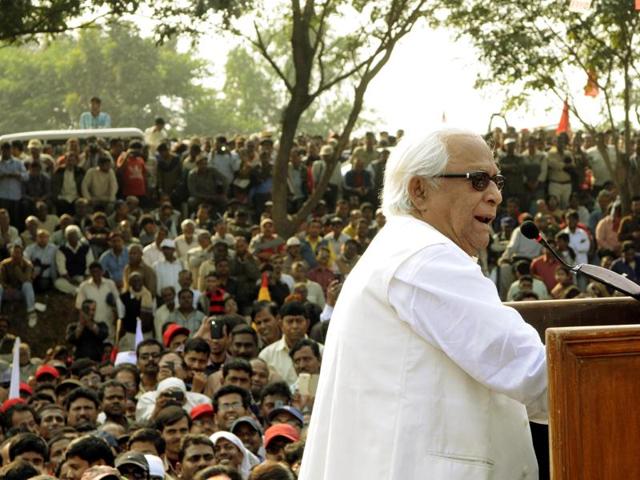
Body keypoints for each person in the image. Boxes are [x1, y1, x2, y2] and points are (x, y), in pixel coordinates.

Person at [300, 128, 547, 479]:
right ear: (419, 190)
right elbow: (531, 371)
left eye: (497, 181)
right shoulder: (425, 257)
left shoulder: (403, 249)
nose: (494, 195)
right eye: (478, 180)